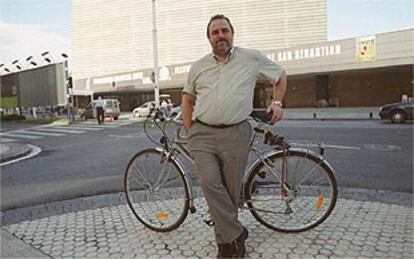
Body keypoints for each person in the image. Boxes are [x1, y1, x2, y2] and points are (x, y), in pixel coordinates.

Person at [181, 14, 287, 258]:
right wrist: (191, 132)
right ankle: (229, 243)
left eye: (224, 31)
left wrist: (278, 101)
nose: (220, 35)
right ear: (208, 38)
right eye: (215, 32)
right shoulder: (198, 66)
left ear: (232, 33)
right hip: (203, 134)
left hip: (236, 133)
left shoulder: (251, 57)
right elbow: (187, 98)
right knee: (210, 184)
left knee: (230, 192)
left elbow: (280, 75)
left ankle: (231, 238)